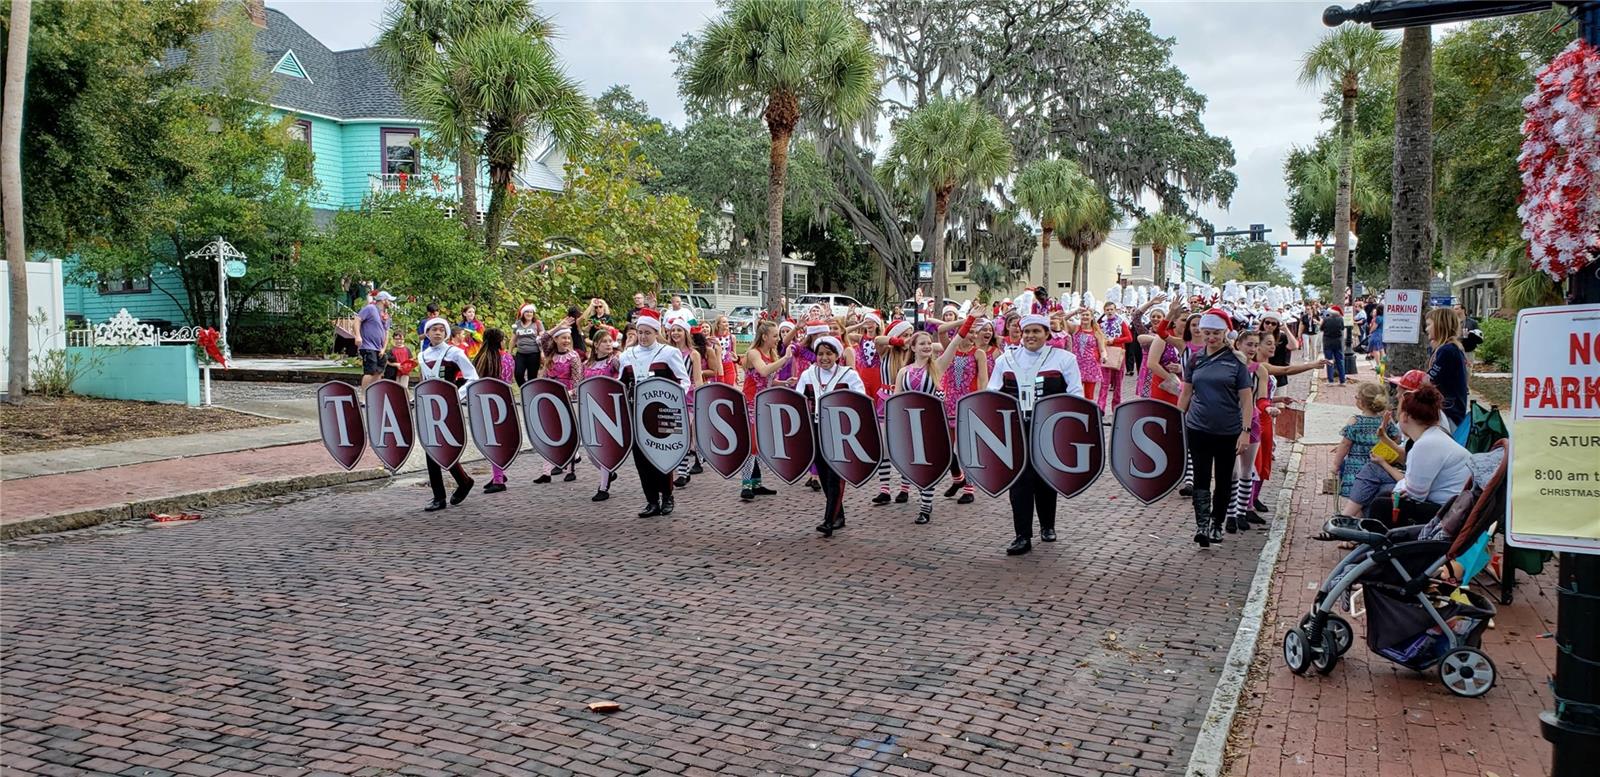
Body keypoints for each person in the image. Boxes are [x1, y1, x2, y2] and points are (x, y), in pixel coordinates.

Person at [986, 313, 1084, 556]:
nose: (1030, 336)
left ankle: (1047, 525)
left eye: (1036, 332)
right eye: (1027, 331)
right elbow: (992, 393)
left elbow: (1075, 393)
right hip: (1016, 428)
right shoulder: (1005, 360)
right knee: (1019, 479)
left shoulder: (1064, 359)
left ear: (1047, 334)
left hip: (1050, 428)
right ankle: (1022, 535)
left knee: (1045, 476)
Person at [1177, 309, 1253, 547]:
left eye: (1216, 333)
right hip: (1198, 427)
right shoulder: (1195, 359)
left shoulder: (1236, 362)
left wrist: (1245, 431)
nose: (1210, 337)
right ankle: (1201, 525)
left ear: (1224, 333)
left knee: (1222, 478)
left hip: (1227, 430)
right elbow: (1186, 392)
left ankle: (1216, 523)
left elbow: (1247, 400)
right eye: (1206, 332)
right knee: (1200, 477)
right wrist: (1178, 422)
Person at [618, 309, 691, 517]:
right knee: (641, 458)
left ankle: (667, 496)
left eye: (647, 332)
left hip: (662, 414)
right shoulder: (627, 355)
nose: (642, 337)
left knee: (662, 455)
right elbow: (621, 384)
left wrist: (671, 400)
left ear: (656, 332)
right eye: (639, 332)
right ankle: (651, 500)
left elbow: (683, 382)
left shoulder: (669, 353)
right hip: (636, 413)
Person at [794, 336, 866, 537]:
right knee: (824, 475)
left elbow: (860, 399)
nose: (824, 358)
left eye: (829, 353)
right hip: (815, 427)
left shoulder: (848, 375)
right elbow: (798, 399)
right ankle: (838, 514)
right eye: (820, 354)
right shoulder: (808, 374)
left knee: (836, 474)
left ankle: (829, 520)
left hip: (839, 431)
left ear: (837, 355)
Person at [1369, 385, 1471, 525]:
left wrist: (1400, 487)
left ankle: (1382, 545)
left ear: (1404, 417)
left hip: (1449, 513)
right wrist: (1402, 486)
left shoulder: (1425, 445)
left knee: (1381, 506)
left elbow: (1415, 495)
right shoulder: (1435, 436)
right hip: (1455, 507)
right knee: (1385, 498)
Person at [897, 330, 968, 524]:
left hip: (931, 424)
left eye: (929, 343)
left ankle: (925, 507)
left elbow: (954, 344)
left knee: (928, 464)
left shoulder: (936, 367)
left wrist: (968, 321)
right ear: (913, 348)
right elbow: (896, 401)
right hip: (910, 424)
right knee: (915, 464)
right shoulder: (904, 372)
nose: (927, 346)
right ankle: (919, 495)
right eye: (922, 343)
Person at [416, 316, 477, 511]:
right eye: (434, 329)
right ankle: (438, 496)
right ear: (427, 333)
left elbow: (472, 378)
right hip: (428, 407)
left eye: (441, 329)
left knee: (446, 447)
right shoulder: (422, 355)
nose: (437, 332)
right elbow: (424, 381)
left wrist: (455, 395)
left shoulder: (455, 353)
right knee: (430, 448)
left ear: (446, 333)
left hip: (448, 408)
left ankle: (464, 481)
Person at [739, 320, 794, 500]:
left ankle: (756, 483)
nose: (778, 339)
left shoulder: (770, 353)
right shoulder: (754, 353)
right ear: (764, 336)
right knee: (752, 444)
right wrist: (785, 359)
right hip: (750, 403)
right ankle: (745, 485)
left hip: (763, 404)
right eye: (775, 335)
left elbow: (768, 379)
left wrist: (783, 382)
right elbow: (763, 372)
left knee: (760, 445)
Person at [938, 315, 986, 503]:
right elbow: (940, 330)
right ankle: (958, 478)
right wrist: (962, 323)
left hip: (968, 403)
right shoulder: (950, 349)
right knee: (946, 448)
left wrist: (981, 401)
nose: (972, 335)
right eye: (970, 331)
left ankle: (969, 488)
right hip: (948, 403)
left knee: (966, 447)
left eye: (975, 332)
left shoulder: (978, 353)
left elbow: (982, 379)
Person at [1332, 382, 1398, 500]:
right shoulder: (1386, 420)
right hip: (1379, 465)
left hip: (1356, 468)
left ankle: (1354, 517)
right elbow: (1396, 438)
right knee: (1373, 497)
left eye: (1357, 397)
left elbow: (1345, 444)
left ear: (1362, 403)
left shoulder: (1355, 421)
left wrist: (1336, 464)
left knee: (1356, 499)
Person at [535, 326, 583, 484]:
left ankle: (570, 469)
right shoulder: (550, 354)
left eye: (568, 338)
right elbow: (542, 339)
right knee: (548, 432)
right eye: (563, 338)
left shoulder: (573, 357)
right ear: (555, 340)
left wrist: (568, 393)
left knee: (567, 432)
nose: (567, 341)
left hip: (565, 396)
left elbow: (577, 382)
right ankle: (546, 472)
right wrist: (560, 325)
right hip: (549, 396)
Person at [472, 328, 516, 494]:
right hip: (504, 402)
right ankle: (499, 475)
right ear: (500, 341)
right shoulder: (507, 358)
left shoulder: (481, 359)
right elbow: (509, 379)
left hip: (486, 403)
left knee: (491, 440)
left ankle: (498, 476)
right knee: (498, 440)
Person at [581, 326, 622, 501]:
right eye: (604, 341)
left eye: (609, 341)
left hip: (608, 410)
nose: (608, 344)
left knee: (604, 447)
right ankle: (608, 470)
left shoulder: (613, 361)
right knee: (591, 450)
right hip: (590, 409)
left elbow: (622, 379)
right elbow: (581, 386)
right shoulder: (586, 364)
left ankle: (603, 487)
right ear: (595, 344)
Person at [1424, 307, 1471, 445]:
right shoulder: (1447, 349)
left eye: (1429, 325)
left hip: (1449, 413)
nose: (1426, 329)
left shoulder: (1448, 351)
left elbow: (1430, 379)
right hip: (1448, 410)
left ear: (1440, 325)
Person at [357, 291, 394, 390]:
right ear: (383, 300)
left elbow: (386, 333)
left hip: (379, 348)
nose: (391, 303)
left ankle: (374, 393)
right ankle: (364, 396)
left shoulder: (386, 315)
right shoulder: (370, 309)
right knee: (370, 371)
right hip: (368, 346)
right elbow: (357, 320)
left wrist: (383, 348)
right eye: (389, 300)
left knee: (379, 371)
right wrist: (358, 336)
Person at [512, 303, 544, 385]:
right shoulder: (518, 324)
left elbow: (543, 339)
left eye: (531, 312)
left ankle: (530, 394)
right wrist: (509, 352)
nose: (529, 314)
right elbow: (513, 339)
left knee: (532, 377)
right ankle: (524, 389)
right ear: (523, 313)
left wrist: (542, 352)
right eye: (527, 312)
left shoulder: (537, 323)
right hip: (520, 353)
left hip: (534, 354)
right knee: (518, 374)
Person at [1320, 306, 1347, 385]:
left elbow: (1321, 328)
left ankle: (1330, 380)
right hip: (1338, 342)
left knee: (1329, 361)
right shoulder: (1340, 319)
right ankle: (1342, 380)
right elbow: (1342, 328)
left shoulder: (1326, 320)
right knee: (1340, 361)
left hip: (1328, 342)